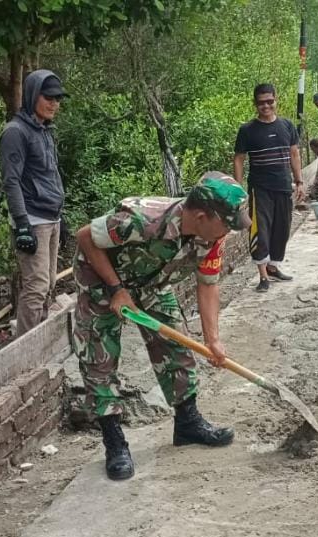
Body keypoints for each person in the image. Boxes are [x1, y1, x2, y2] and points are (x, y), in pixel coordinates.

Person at [71, 173, 247, 481]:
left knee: (176, 349)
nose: (230, 231)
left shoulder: (211, 237)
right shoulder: (142, 219)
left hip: (152, 285)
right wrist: (116, 290)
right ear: (203, 216)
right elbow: (85, 236)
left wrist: (213, 340)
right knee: (99, 360)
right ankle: (115, 444)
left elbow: (208, 285)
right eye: (228, 223)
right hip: (101, 283)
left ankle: (188, 424)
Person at [0, 69, 67, 335]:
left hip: (51, 217)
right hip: (32, 219)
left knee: (49, 282)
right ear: (32, 96)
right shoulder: (16, 133)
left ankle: (39, 339)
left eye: (57, 99)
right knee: (36, 286)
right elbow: (11, 181)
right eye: (48, 97)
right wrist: (22, 224)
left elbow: (50, 173)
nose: (54, 104)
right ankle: (23, 350)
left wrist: (61, 213)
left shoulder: (45, 131)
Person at [234, 83, 302, 293]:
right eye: (261, 103)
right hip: (259, 188)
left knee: (282, 229)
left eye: (269, 101)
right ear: (255, 104)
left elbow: (294, 154)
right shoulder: (247, 130)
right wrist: (238, 190)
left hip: (283, 185)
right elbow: (238, 159)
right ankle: (262, 276)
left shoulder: (287, 126)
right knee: (260, 230)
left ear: (276, 100)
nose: (266, 106)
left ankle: (273, 267)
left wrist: (299, 181)